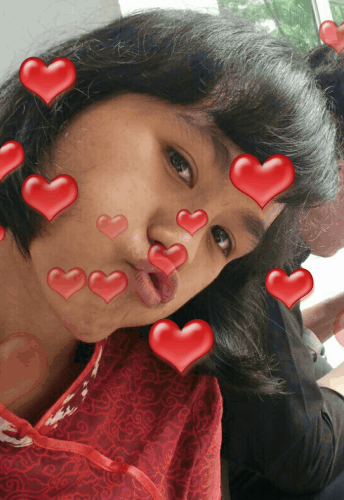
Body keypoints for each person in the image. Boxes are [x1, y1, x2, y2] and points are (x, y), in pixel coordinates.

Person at [0, 9, 340, 500]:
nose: (181, 246)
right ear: (70, 98)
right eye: (180, 164)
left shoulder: (182, 407)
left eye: (222, 238)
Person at [220, 43, 344, 500]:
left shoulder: (280, 242)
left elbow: (264, 358)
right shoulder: (249, 251)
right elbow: (304, 455)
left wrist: (335, 309)